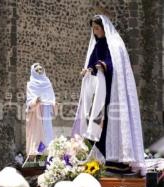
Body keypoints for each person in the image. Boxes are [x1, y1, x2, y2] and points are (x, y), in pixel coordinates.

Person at [72, 15, 145, 173]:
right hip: (101, 93)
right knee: (99, 122)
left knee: (113, 121)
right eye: (93, 28)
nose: (95, 31)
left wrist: (104, 66)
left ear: (104, 28)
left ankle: (118, 158)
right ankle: (102, 155)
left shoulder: (115, 44)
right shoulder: (97, 45)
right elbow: (92, 64)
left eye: (97, 28)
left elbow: (114, 65)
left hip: (113, 93)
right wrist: (89, 70)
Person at [26, 63, 56, 155]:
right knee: (37, 135)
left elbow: (51, 98)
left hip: (46, 111)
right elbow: (29, 102)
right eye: (37, 70)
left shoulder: (47, 82)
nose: (39, 71)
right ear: (33, 72)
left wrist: (54, 104)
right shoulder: (31, 84)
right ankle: (37, 154)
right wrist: (36, 100)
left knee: (47, 132)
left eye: (41, 69)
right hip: (36, 112)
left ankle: (48, 153)